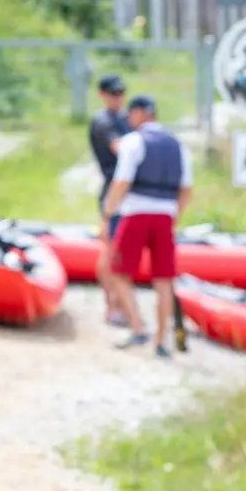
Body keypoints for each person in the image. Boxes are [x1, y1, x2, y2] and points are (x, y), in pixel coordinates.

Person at [102, 95, 193, 357]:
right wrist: (174, 214)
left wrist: (109, 211)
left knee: (118, 271)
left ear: (141, 114)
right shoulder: (178, 145)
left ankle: (139, 327)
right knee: (164, 279)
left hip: (136, 214)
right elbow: (186, 189)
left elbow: (122, 181)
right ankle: (161, 340)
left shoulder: (134, 141)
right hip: (165, 216)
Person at [89, 74, 132, 327]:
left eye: (121, 93)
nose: (118, 98)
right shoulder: (103, 121)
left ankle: (122, 303)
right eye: (114, 94)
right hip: (114, 188)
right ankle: (111, 305)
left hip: (129, 190)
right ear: (103, 94)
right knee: (110, 248)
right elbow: (121, 149)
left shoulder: (123, 119)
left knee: (123, 249)